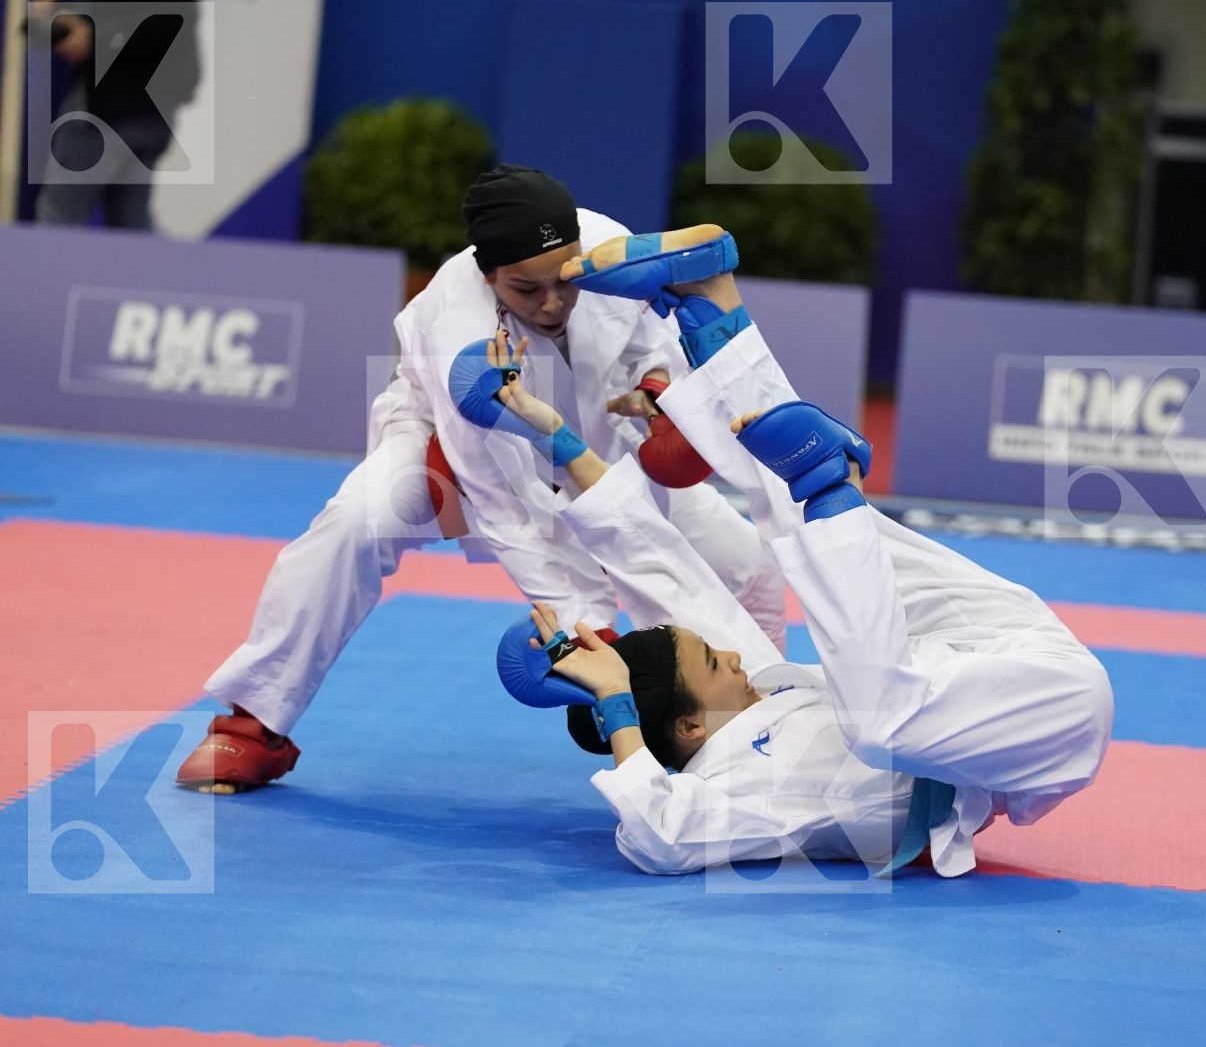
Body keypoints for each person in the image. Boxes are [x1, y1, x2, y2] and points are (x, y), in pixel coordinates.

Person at [478, 225, 1114, 876]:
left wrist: (547, 430)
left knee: (793, 517)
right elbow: (659, 839)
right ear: (691, 729)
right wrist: (615, 702)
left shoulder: (753, 691)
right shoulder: (733, 789)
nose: (734, 651)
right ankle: (830, 485)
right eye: (714, 663)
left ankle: (712, 309)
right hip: (1039, 722)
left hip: (976, 634)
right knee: (875, 717)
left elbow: (650, 554)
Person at [176, 169, 786, 794]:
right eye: (527, 289)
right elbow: (504, 506)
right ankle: (255, 724)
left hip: (601, 447)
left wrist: (657, 391)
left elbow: (651, 339)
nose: (552, 303)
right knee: (356, 522)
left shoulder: (605, 249)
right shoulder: (458, 326)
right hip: (451, 453)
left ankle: (756, 720)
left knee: (746, 564)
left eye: (564, 281)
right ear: (489, 274)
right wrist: (589, 632)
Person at [34, 0, 199, 230]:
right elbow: (132, 3)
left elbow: (172, 15)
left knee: (59, 219)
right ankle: (167, 289)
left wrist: (95, 38)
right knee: (130, 223)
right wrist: (63, 14)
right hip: (143, 104)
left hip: (114, 104)